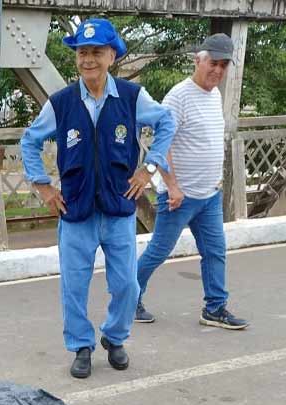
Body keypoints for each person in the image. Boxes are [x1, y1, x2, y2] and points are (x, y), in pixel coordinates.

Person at [20, 18, 176, 378]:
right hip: (75, 209)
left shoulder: (133, 97)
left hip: (119, 207)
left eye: (97, 52)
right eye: (82, 52)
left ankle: (115, 337)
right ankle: (81, 346)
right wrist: (43, 186)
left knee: (126, 284)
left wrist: (149, 167)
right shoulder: (61, 102)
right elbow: (30, 141)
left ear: (111, 56)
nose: (88, 59)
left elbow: (166, 123)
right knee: (74, 286)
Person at [134, 33, 249, 330]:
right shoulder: (178, 96)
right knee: (159, 251)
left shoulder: (215, 94)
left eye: (224, 66)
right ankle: (127, 298)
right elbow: (163, 144)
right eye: (213, 63)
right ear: (199, 60)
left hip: (209, 195)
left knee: (215, 252)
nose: (218, 71)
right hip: (180, 196)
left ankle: (215, 308)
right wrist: (172, 186)